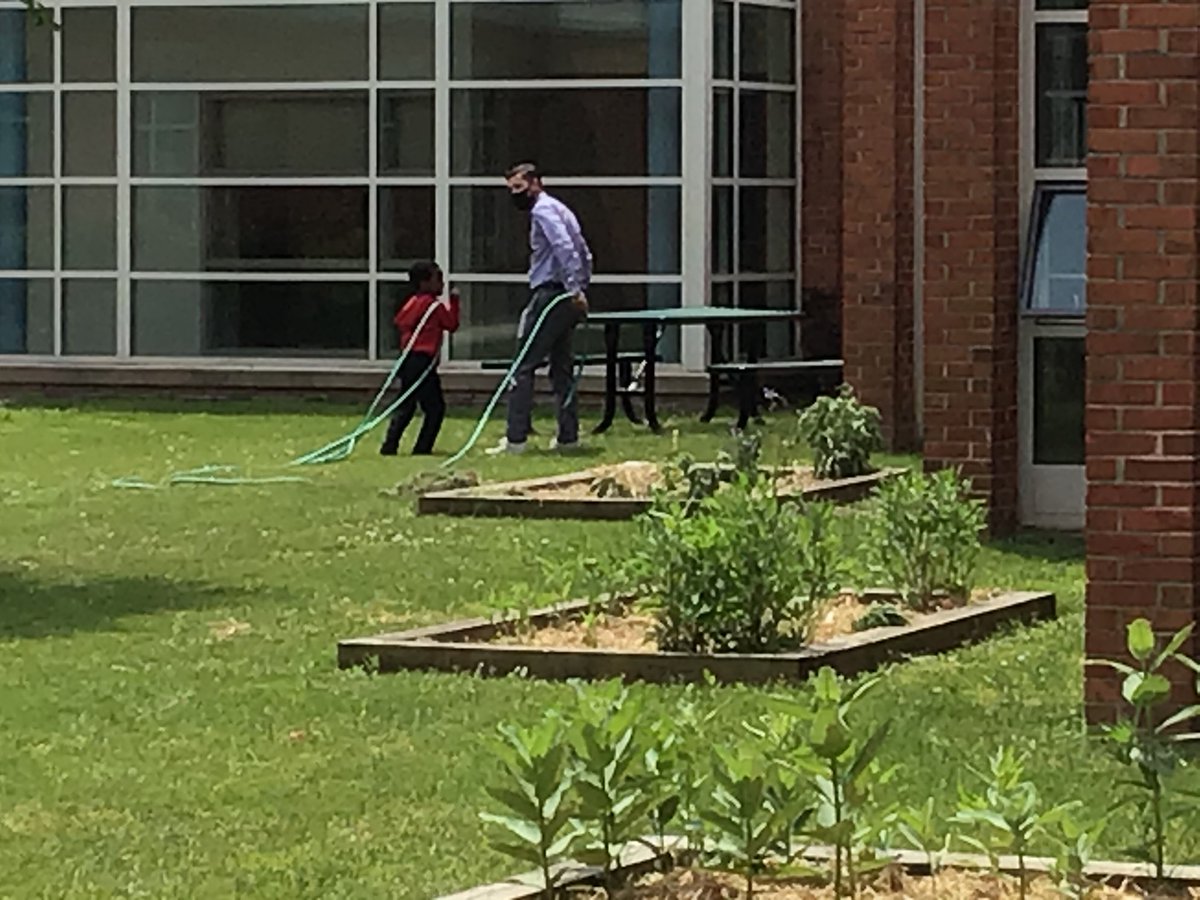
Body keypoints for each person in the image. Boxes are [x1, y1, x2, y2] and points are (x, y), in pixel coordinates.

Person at [488, 162, 593, 456]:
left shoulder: (543, 211)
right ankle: (568, 437)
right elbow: (583, 249)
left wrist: (574, 288)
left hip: (550, 295)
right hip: (565, 297)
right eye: (511, 190)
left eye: (520, 188)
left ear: (536, 183)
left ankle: (515, 439)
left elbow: (566, 247)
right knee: (562, 367)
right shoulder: (561, 208)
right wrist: (581, 287)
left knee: (523, 365)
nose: (516, 195)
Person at [380, 261, 460, 457]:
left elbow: (400, 321)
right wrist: (455, 302)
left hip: (407, 360)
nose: (442, 284)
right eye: (438, 279)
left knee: (406, 405)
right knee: (435, 408)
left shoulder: (412, 303)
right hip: (423, 361)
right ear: (424, 283)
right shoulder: (434, 306)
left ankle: (390, 445)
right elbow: (451, 324)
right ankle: (422, 448)